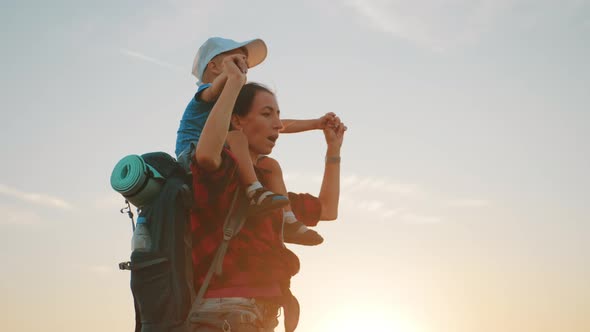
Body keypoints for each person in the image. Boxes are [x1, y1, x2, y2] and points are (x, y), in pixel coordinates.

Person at [187, 61, 346, 331]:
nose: (277, 125)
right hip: (227, 313)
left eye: (278, 115)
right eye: (267, 114)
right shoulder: (222, 177)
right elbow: (205, 155)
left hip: (260, 317)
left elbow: (327, 210)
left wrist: (333, 149)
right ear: (237, 120)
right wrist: (234, 83)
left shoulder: (272, 192)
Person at [176, 37, 330, 245]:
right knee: (237, 136)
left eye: (244, 63)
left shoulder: (231, 104)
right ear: (213, 66)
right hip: (191, 154)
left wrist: (316, 123)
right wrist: (232, 78)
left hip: (223, 154)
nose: (244, 66)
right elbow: (215, 90)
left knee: (270, 164)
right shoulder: (205, 92)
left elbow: (276, 124)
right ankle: (254, 191)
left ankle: (287, 219)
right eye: (237, 59)